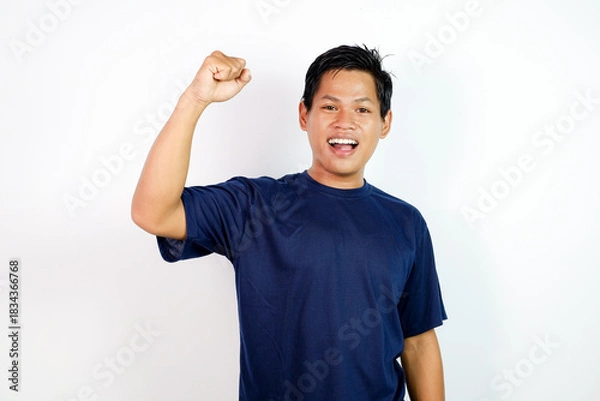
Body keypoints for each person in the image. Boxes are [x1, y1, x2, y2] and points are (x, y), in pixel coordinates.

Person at [131, 44, 447, 401]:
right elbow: (152, 211)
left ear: (384, 123)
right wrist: (194, 100)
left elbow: (418, 341)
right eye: (330, 106)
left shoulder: (405, 223)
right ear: (304, 115)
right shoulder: (253, 206)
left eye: (362, 108)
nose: (345, 121)